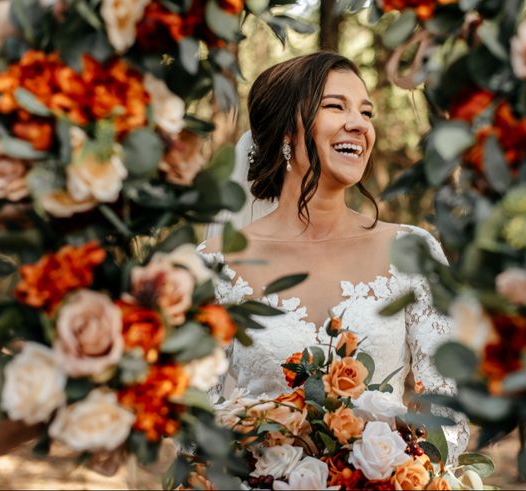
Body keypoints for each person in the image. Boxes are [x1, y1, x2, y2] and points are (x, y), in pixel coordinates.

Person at [199, 51, 470, 462]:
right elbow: (193, 424)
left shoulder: (412, 251)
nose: (359, 124)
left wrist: (396, 472)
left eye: (366, 111)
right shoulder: (216, 265)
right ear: (286, 130)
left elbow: (451, 412)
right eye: (334, 106)